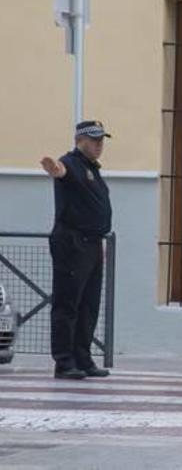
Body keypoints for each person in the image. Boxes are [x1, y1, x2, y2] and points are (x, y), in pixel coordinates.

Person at [39, 120, 113, 380]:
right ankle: (64, 361)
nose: (99, 145)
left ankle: (83, 358)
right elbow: (61, 172)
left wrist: (99, 242)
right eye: (94, 140)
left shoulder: (92, 168)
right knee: (67, 304)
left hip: (92, 244)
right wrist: (54, 168)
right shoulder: (70, 163)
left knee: (89, 305)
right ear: (79, 140)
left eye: (102, 140)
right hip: (72, 243)